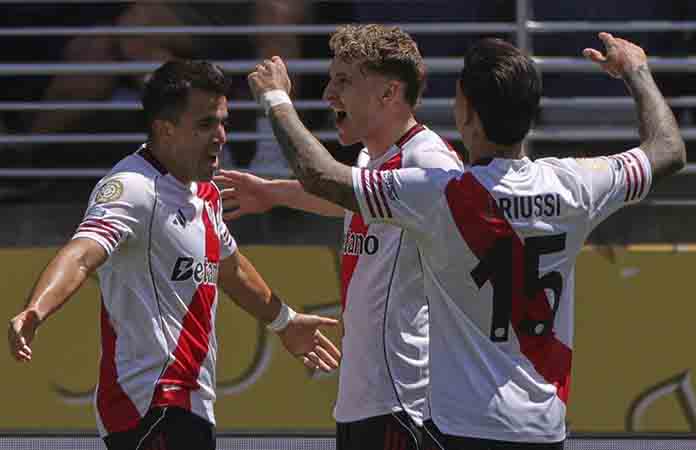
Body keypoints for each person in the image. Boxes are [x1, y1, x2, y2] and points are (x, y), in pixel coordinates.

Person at [246, 32, 685, 449]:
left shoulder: (437, 192)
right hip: (543, 426)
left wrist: (276, 98)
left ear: (467, 115)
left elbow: (323, 175)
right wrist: (636, 70)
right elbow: (668, 150)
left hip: (462, 426)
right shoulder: (577, 185)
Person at [7, 60, 341, 450]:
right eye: (205, 124)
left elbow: (231, 269)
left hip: (189, 403)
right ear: (165, 129)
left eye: (223, 123)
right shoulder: (132, 187)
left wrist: (284, 321)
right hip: (149, 403)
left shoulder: (205, 192)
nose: (220, 136)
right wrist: (36, 310)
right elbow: (82, 253)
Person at [217, 24, 464, 450]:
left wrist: (276, 100)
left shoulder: (429, 161)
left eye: (344, 81)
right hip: (365, 401)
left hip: (406, 403)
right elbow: (353, 200)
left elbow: (333, 181)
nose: (329, 94)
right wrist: (274, 193)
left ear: (388, 93)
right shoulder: (374, 159)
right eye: (332, 79)